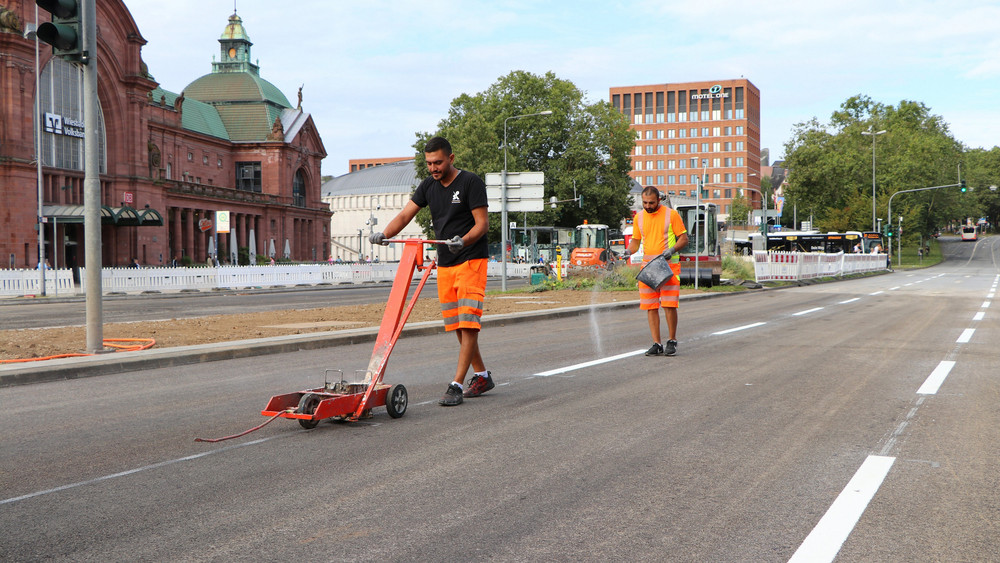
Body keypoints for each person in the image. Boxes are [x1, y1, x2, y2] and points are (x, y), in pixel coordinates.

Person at [370, 136, 492, 406]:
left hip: (471, 258)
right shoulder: (428, 186)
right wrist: (384, 234)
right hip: (446, 262)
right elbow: (405, 215)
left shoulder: (471, 183)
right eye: (429, 163)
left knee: (469, 323)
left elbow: (482, 225)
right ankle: (482, 375)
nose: (433, 168)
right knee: (457, 326)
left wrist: (465, 240)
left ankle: (456, 384)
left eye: (438, 162)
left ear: (451, 158)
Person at [626, 186, 689, 357]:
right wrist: (627, 252)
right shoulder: (639, 218)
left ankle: (672, 340)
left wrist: (672, 250)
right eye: (645, 202)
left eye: (651, 203)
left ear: (658, 200)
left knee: (669, 305)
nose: (648, 206)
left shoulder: (671, 215)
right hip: (648, 268)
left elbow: (684, 238)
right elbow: (635, 242)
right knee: (651, 307)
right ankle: (656, 343)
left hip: (668, 267)